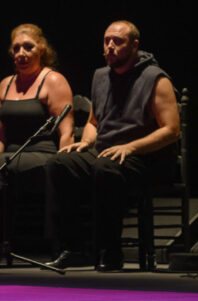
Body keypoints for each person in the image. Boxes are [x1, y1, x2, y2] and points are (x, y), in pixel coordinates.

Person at [43, 20, 179, 271]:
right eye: (107, 41)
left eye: (118, 41)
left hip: (148, 157)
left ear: (134, 45)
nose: (110, 46)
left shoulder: (155, 78)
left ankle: (110, 250)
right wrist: (84, 142)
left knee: (106, 169)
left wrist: (130, 147)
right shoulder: (101, 76)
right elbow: (94, 121)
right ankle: (73, 248)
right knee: (60, 163)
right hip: (105, 151)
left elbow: (171, 130)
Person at [0, 24, 74, 268]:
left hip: (43, 156)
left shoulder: (53, 80)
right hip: (11, 155)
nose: (21, 53)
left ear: (41, 50)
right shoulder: (5, 84)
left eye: (28, 47)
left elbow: (66, 130)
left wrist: (64, 164)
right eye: (16, 48)